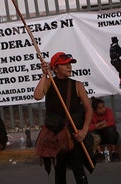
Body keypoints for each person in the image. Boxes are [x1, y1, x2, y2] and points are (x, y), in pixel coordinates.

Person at [34, 52, 92, 184]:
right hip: (56, 135)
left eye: (70, 64)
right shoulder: (49, 83)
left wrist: (84, 131)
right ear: (55, 68)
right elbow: (37, 96)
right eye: (64, 64)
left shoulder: (77, 85)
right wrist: (44, 74)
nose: (69, 67)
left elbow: (89, 109)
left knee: (79, 170)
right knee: (59, 171)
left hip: (74, 134)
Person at [88, 97, 120, 161]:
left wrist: (96, 126)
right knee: (92, 132)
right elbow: (88, 127)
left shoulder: (108, 111)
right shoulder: (91, 114)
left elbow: (111, 122)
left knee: (111, 129)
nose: (103, 109)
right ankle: (99, 152)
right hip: (98, 137)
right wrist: (100, 123)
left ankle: (114, 152)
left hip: (108, 136)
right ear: (95, 110)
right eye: (100, 108)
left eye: (103, 107)